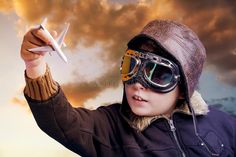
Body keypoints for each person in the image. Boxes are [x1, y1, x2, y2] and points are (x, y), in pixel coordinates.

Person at [21, 19, 236, 157]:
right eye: (130, 66)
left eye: (159, 73)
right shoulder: (111, 127)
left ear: (184, 87)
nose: (137, 83)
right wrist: (35, 65)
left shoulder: (221, 123)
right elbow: (62, 121)